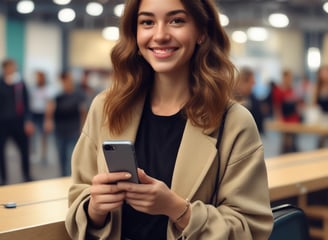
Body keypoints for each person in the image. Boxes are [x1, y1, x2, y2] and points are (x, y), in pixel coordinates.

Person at [65, 0, 273, 239]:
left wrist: (177, 209)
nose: (160, 35)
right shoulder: (106, 108)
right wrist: (94, 208)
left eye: (176, 21)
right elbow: (78, 196)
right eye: (147, 22)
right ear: (135, 32)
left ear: (201, 32)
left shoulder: (234, 122)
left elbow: (250, 229)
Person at [44, 70, 87, 176]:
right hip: (59, 129)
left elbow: (83, 112)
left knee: (70, 157)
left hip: (73, 129)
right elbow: (50, 108)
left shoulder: (78, 94)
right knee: (61, 157)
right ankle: (63, 177)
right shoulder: (57, 94)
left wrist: (83, 128)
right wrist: (48, 121)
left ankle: (70, 179)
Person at [0, 59, 34, 185]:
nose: (13, 69)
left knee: (24, 149)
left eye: (14, 67)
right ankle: (3, 178)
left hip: (19, 122)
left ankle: (26, 174)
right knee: (1, 151)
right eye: (10, 67)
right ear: (5, 68)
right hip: (2, 124)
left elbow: (26, 103)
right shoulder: (1, 83)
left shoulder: (20, 83)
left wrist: (28, 121)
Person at [272, 69, 302, 153]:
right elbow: (277, 107)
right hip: (285, 119)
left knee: (294, 140)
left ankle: (293, 151)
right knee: (286, 140)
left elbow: (297, 103)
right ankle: (285, 153)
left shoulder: (292, 90)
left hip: (294, 118)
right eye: (288, 78)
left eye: (291, 78)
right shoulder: (278, 91)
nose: (290, 80)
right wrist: (279, 118)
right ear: (284, 78)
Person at [29, 70, 52, 164]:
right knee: (32, 136)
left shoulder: (47, 89)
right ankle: (33, 154)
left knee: (43, 136)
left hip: (43, 114)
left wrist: (48, 119)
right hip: (34, 113)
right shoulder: (33, 88)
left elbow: (49, 104)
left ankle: (44, 156)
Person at [235, 66, 264, 134]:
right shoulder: (231, 99)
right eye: (252, 82)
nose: (254, 84)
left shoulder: (253, 98)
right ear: (243, 82)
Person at [312, 65, 328, 148]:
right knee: (320, 140)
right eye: (322, 73)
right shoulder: (318, 87)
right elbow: (314, 103)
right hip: (321, 116)